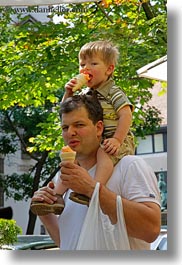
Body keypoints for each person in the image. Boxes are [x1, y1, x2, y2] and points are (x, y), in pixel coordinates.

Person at [31, 94, 161, 250]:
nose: (70, 132)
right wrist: (46, 214)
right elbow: (69, 244)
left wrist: (92, 189)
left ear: (99, 128)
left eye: (79, 125)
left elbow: (151, 230)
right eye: (65, 127)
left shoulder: (130, 166)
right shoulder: (67, 180)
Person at [60, 40, 135, 206]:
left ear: (109, 69)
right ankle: (56, 196)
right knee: (70, 157)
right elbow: (66, 111)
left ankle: (94, 189)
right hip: (99, 140)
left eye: (93, 63)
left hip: (118, 140)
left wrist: (117, 139)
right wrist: (68, 92)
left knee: (103, 153)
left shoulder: (112, 91)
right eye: (82, 64)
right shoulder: (86, 93)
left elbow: (126, 114)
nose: (85, 68)